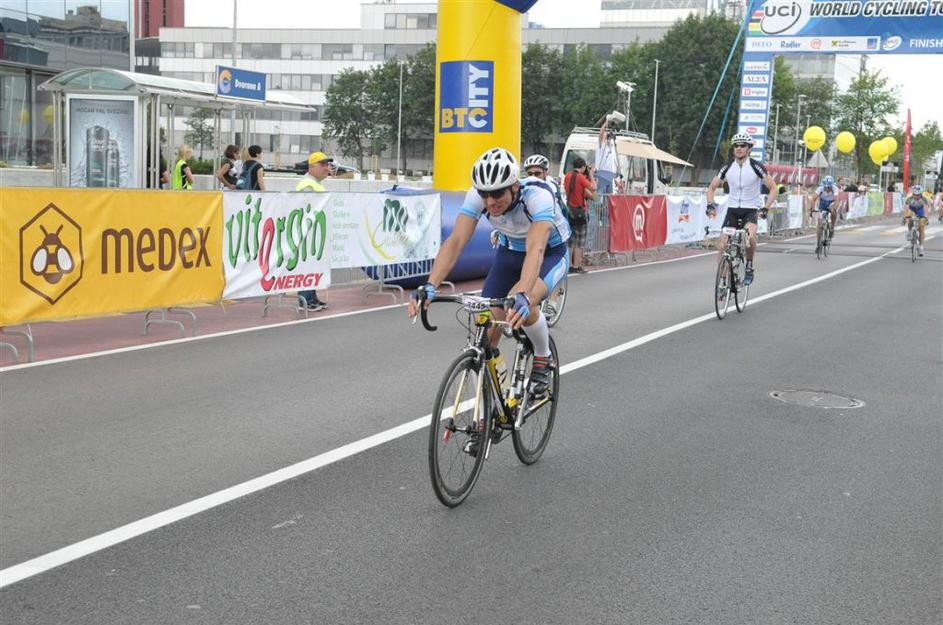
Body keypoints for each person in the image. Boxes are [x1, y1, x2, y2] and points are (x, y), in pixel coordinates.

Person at [408, 147, 570, 406]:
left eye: (497, 193)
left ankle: (543, 354)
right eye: (484, 194)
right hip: (509, 253)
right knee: (486, 331)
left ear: (514, 186)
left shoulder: (538, 196)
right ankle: (493, 406)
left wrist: (523, 293)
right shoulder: (477, 197)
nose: (490, 201)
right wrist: (430, 284)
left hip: (550, 253)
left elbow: (536, 249)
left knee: (521, 303)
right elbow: (456, 241)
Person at [706, 133, 777, 286]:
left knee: (749, 238)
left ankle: (749, 265)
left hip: (750, 210)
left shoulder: (756, 166)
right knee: (722, 245)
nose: (738, 148)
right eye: (736, 145)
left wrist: (765, 208)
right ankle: (723, 280)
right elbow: (711, 188)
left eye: (742, 145)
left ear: (749, 148)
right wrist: (710, 204)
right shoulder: (727, 167)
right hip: (732, 210)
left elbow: (773, 189)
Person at [295, 151, 333, 311]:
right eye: (323, 164)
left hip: (314, 230)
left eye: (328, 164)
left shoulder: (315, 183)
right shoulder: (307, 184)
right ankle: (305, 299)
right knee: (306, 265)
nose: (327, 168)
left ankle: (311, 297)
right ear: (312, 166)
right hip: (307, 231)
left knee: (312, 265)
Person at [563, 156, 596, 274]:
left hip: (569, 211)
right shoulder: (581, 177)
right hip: (580, 212)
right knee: (580, 241)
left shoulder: (567, 176)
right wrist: (591, 175)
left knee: (570, 241)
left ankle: (569, 265)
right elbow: (593, 188)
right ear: (582, 167)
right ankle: (576, 266)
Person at [810, 175, 839, 253]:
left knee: (833, 211)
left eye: (828, 187)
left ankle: (832, 227)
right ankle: (818, 244)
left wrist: (834, 208)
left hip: (831, 202)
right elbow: (813, 199)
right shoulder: (820, 188)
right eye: (825, 187)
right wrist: (812, 208)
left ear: (831, 186)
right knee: (819, 224)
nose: (827, 189)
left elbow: (837, 201)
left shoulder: (835, 188)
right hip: (823, 203)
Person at [902, 184, 929, 256]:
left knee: (921, 226)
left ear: (921, 194)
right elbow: (906, 209)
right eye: (914, 195)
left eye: (918, 195)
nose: (916, 197)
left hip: (920, 211)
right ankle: (909, 231)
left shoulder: (924, 199)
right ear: (913, 194)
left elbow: (926, 210)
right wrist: (904, 218)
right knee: (909, 216)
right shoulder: (909, 198)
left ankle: (921, 247)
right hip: (912, 210)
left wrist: (926, 218)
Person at [596, 116, 619, 194]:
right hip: (602, 174)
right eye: (606, 136)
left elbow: (615, 161)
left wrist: (617, 174)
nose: (608, 137)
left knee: (609, 197)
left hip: (611, 175)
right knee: (600, 196)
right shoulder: (601, 146)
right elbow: (601, 133)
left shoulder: (612, 148)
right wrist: (607, 121)